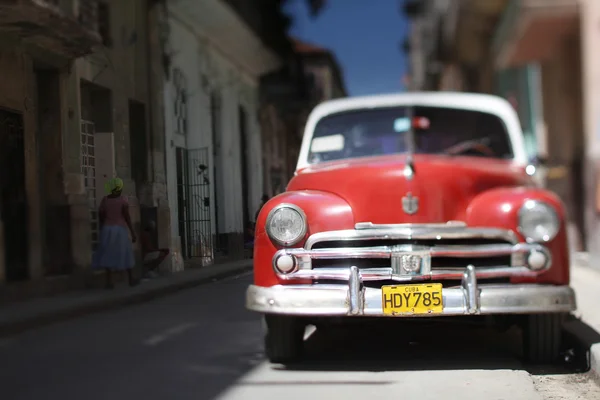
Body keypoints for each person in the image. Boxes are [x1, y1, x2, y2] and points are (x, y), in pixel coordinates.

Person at [92, 177, 138, 289]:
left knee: (108, 253)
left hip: (107, 229)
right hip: (120, 229)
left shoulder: (105, 200)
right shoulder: (123, 200)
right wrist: (132, 232)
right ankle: (131, 279)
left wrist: (103, 226)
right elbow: (127, 217)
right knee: (125, 253)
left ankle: (109, 281)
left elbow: (101, 216)